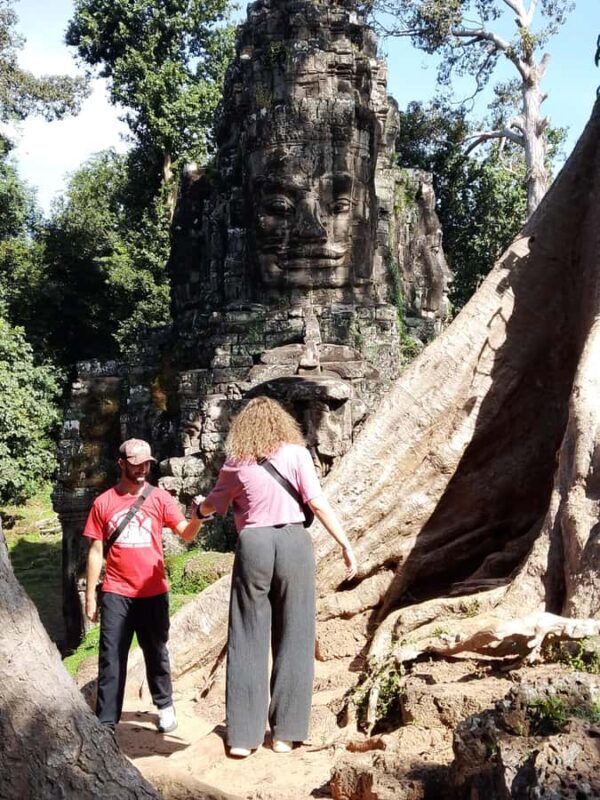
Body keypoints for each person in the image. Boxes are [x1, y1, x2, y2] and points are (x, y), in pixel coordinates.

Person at [194, 396, 357, 757]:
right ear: (283, 424)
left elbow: (211, 506)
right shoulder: (298, 454)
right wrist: (344, 543)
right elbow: (317, 503)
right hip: (294, 542)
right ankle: (286, 732)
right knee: (296, 634)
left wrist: (196, 510)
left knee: (247, 634)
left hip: (254, 543)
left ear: (243, 428)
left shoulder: (236, 462)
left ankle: (243, 737)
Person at [83, 438, 205, 734]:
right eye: (136, 464)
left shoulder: (159, 498)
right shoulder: (104, 503)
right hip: (116, 591)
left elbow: (186, 533)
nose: (142, 469)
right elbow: (96, 551)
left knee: (156, 651)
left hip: (153, 590)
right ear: (121, 463)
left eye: (147, 464)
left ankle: (164, 706)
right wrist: (90, 597)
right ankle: (107, 721)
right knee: (111, 656)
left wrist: (199, 518)